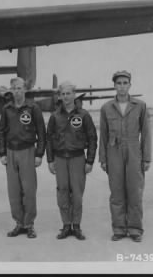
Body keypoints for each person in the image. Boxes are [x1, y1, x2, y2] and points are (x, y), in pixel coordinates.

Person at [99, 70, 152, 242]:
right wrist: (103, 159)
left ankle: (135, 229)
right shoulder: (106, 107)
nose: (122, 86)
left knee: (135, 191)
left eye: (125, 83)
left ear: (130, 85)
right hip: (113, 151)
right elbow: (104, 135)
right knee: (116, 192)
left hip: (134, 151)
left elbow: (146, 133)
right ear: (114, 85)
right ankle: (119, 228)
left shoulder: (140, 106)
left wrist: (146, 158)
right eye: (118, 83)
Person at [46, 82, 97, 240]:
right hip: (60, 158)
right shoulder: (55, 116)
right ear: (60, 96)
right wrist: (50, 160)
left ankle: (77, 225)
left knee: (77, 193)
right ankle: (66, 225)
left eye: (69, 93)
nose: (66, 96)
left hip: (77, 158)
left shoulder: (84, 115)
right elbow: (49, 139)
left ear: (74, 95)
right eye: (63, 94)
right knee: (62, 191)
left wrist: (89, 161)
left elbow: (92, 138)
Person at [0, 77, 46, 239]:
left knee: (29, 190)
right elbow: (2, 132)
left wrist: (39, 154)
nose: (17, 91)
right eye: (14, 88)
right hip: (11, 152)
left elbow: (41, 132)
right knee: (14, 191)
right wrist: (2, 153)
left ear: (24, 90)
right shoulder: (6, 109)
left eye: (20, 88)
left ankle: (29, 224)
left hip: (27, 151)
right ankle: (19, 223)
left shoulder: (33, 108)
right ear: (11, 90)